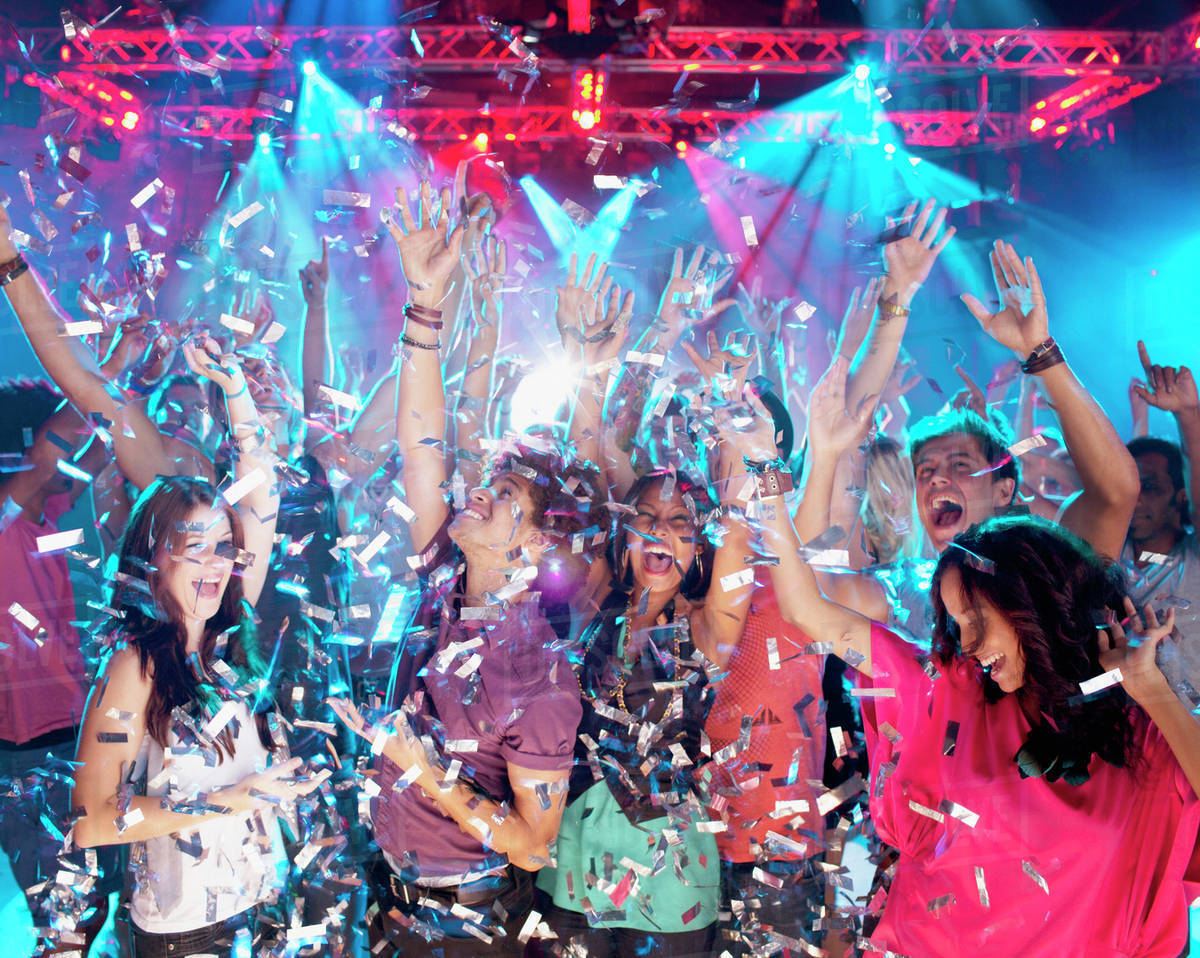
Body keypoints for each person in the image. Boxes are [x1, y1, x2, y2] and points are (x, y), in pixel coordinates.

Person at [721, 391, 1200, 956]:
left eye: (977, 619)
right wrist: (763, 466)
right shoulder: (949, 689)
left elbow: (1116, 488)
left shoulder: (1136, 727)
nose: (968, 644)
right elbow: (807, 609)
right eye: (956, 622)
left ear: (1027, 602)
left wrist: (1151, 691)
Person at [329, 181, 591, 957]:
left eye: (503, 496)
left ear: (533, 547)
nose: (476, 492)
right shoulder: (442, 577)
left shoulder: (540, 675)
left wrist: (424, 770)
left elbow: (534, 846)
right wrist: (425, 302)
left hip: (469, 924)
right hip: (392, 898)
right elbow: (423, 446)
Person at [69, 338, 316, 958]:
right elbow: (92, 820)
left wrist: (236, 391)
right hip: (186, 936)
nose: (214, 564)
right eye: (193, 548)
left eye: (223, 547)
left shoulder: (228, 632)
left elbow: (261, 495)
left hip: (264, 913)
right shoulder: (135, 664)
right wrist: (231, 802)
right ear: (151, 559)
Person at [0, 377, 116, 956]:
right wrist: (108, 367)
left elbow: (98, 455)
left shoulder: (47, 512)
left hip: (69, 732)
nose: (72, 448)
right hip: (27, 748)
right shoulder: (4, 517)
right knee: (63, 915)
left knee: (87, 906)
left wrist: (136, 385)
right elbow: (56, 448)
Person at [1121, 341, 1200, 711]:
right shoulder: (1105, 550)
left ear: (1180, 498)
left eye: (1149, 488)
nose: (1135, 499)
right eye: (1131, 488)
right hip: (1119, 737)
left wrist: (1188, 415)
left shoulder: (1193, 558)